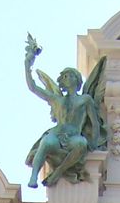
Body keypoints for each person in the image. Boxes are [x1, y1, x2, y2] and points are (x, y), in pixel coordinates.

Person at [24, 33, 107, 189]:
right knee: (46, 142)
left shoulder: (85, 100)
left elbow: (95, 123)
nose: (66, 78)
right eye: (65, 76)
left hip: (74, 137)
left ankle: (58, 172)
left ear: (77, 80)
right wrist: (27, 65)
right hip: (57, 135)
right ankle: (34, 176)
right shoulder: (57, 100)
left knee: (81, 143)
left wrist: (93, 143)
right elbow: (33, 87)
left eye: (69, 76)